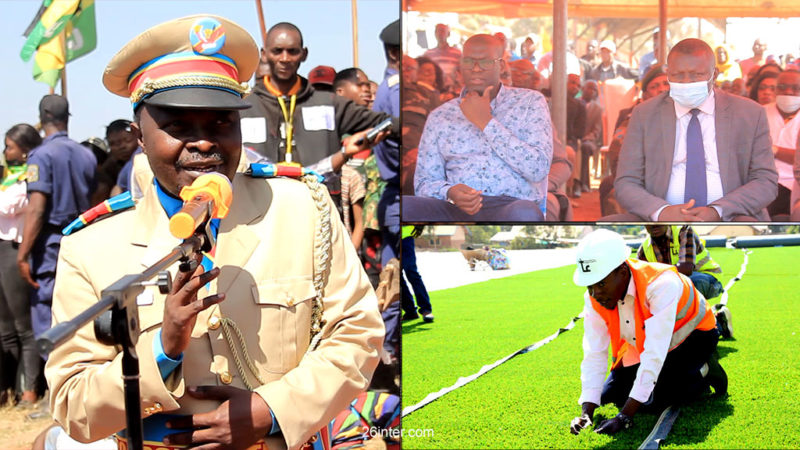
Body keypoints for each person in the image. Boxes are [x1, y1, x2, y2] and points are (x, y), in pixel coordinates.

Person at [44, 15, 383, 449]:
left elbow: (357, 333)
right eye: (179, 125)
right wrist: (162, 350)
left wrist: (272, 410)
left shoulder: (302, 208)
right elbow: (74, 408)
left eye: (222, 122)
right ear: (139, 136)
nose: (204, 142)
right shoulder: (91, 245)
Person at [569, 229, 726, 436]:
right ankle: (672, 380)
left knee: (659, 399)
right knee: (613, 395)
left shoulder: (660, 284)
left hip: (694, 337)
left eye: (601, 284)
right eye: (590, 286)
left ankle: (705, 368)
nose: (595, 293)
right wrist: (587, 411)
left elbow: (655, 352)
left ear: (623, 273)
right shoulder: (594, 297)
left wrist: (624, 416)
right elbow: (594, 352)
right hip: (644, 344)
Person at [613, 38, 778, 221]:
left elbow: (765, 181)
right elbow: (626, 182)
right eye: (677, 75)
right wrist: (662, 211)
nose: (686, 82)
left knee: (748, 230)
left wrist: (718, 211)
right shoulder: (644, 115)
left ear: (714, 75)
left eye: (695, 75)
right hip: (662, 220)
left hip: (731, 217)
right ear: (668, 74)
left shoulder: (750, 114)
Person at [405, 34, 553, 222]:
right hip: (453, 207)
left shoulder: (530, 102)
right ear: (460, 66)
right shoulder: (440, 116)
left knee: (524, 214)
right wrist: (449, 191)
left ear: (501, 65)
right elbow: (424, 183)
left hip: (510, 204)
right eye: (468, 61)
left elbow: (538, 168)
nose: (475, 69)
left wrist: (486, 122)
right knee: (404, 207)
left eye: (485, 62)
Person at [240, 22, 396, 167]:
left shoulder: (329, 103)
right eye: (277, 51)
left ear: (304, 54)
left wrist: (372, 135)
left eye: (292, 51)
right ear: (264, 54)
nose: (285, 58)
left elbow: (387, 123)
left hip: (320, 195)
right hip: (264, 196)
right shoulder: (244, 108)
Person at [18, 95, 96, 342]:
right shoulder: (87, 154)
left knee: (46, 311)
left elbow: (37, 209)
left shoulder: (40, 155)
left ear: (43, 117)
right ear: (66, 117)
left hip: (50, 244)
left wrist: (23, 254)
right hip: (81, 239)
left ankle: (55, 376)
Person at [0, 124, 40, 407]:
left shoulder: (28, 179)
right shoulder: (9, 177)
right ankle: (8, 390)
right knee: (5, 328)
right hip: (2, 248)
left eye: (10, 147)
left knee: (23, 325)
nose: (5, 152)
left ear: (25, 151)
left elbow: (6, 208)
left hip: (16, 249)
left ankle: (29, 390)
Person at [764, 70, 800, 218]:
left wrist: (774, 150)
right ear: (775, 89)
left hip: (793, 184)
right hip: (762, 181)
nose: (788, 92)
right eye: (782, 86)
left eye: (796, 88)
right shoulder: (759, 113)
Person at [92, 119, 139, 204]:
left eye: (127, 140)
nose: (122, 147)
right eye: (113, 144)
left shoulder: (142, 157)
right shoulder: (108, 167)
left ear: (138, 136)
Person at [400, 226, 433, 323]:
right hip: (390, 239)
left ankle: (426, 309)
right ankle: (410, 311)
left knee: (411, 272)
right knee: (396, 276)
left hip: (406, 237)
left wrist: (420, 225)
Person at [424, 24, 462, 93]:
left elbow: (462, 72)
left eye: (442, 31)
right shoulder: (428, 54)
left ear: (448, 34)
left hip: (452, 91)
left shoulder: (458, 54)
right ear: (435, 34)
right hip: (434, 90)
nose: (440, 34)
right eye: (437, 31)